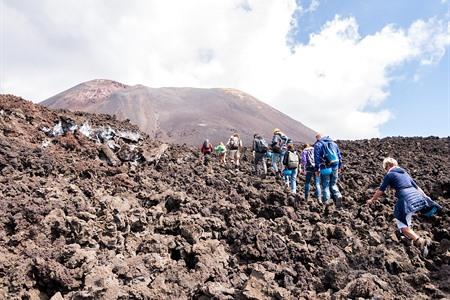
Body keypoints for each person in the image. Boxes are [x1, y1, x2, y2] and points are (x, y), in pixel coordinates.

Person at [366, 157, 441, 252]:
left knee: (402, 225)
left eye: (385, 168)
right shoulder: (405, 173)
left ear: (388, 166)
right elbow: (418, 188)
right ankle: (410, 240)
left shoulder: (390, 174)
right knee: (406, 219)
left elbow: (381, 190)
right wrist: (426, 199)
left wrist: (372, 200)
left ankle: (419, 241)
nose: (386, 170)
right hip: (417, 197)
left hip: (406, 199)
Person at [314, 133, 343, 207]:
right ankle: (338, 195)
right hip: (335, 166)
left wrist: (317, 169)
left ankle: (327, 203)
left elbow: (317, 158)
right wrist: (340, 166)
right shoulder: (334, 144)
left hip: (325, 167)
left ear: (318, 138)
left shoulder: (318, 145)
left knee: (326, 185)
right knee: (333, 184)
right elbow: (339, 156)